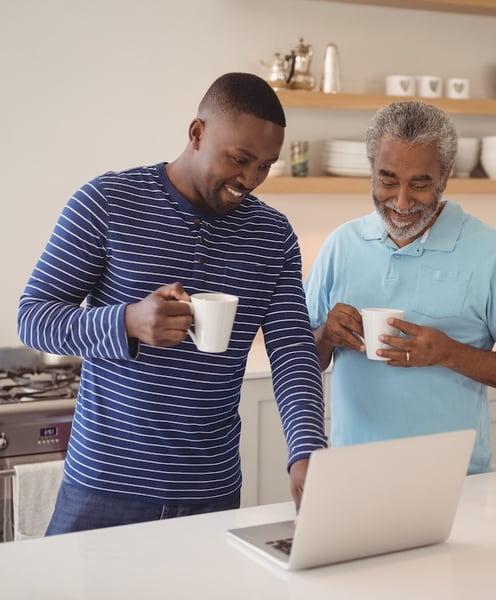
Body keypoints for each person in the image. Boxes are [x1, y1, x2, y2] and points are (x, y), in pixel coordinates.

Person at [17, 73, 327, 535]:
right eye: (239, 159)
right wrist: (127, 322)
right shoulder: (107, 202)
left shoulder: (273, 237)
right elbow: (33, 317)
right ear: (197, 133)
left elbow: (293, 351)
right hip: (104, 487)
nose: (250, 180)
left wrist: (306, 449)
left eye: (264, 166)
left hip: (212, 492)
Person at [304, 101, 496, 474]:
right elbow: (299, 361)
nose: (401, 202)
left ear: (445, 175)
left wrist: (448, 352)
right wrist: (324, 336)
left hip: (455, 479)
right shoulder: (341, 246)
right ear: (371, 170)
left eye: (419, 184)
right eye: (387, 181)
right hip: (352, 474)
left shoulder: (494, 252)